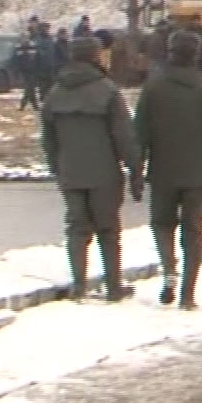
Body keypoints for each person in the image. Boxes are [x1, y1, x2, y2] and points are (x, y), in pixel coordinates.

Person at [133, 29, 202, 310]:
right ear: (197, 54)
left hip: (163, 171)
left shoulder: (153, 89)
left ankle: (169, 270)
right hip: (197, 173)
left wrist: (136, 171)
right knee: (193, 231)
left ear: (170, 52)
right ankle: (188, 294)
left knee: (162, 224)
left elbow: (139, 134)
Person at [40, 35, 142, 303]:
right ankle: (113, 286)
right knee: (108, 229)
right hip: (104, 171)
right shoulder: (107, 91)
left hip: (70, 171)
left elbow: (48, 138)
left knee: (76, 228)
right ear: (96, 56)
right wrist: (135, 168)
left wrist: (57, 168)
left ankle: (79, 287)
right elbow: (124, 135)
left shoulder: (55, 92)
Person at [13, 31, 42, 111]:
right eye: (23, 37)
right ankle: (35, 106)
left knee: (29, 88)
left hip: (33, 70)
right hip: (24, 70)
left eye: (26, 37)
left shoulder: (33, 46)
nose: (24, 39)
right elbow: (16, 60)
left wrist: (38, 68)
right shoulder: (18, 47)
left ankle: (23, 105)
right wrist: (17, 70)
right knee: (30, 88)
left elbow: (37, 58)